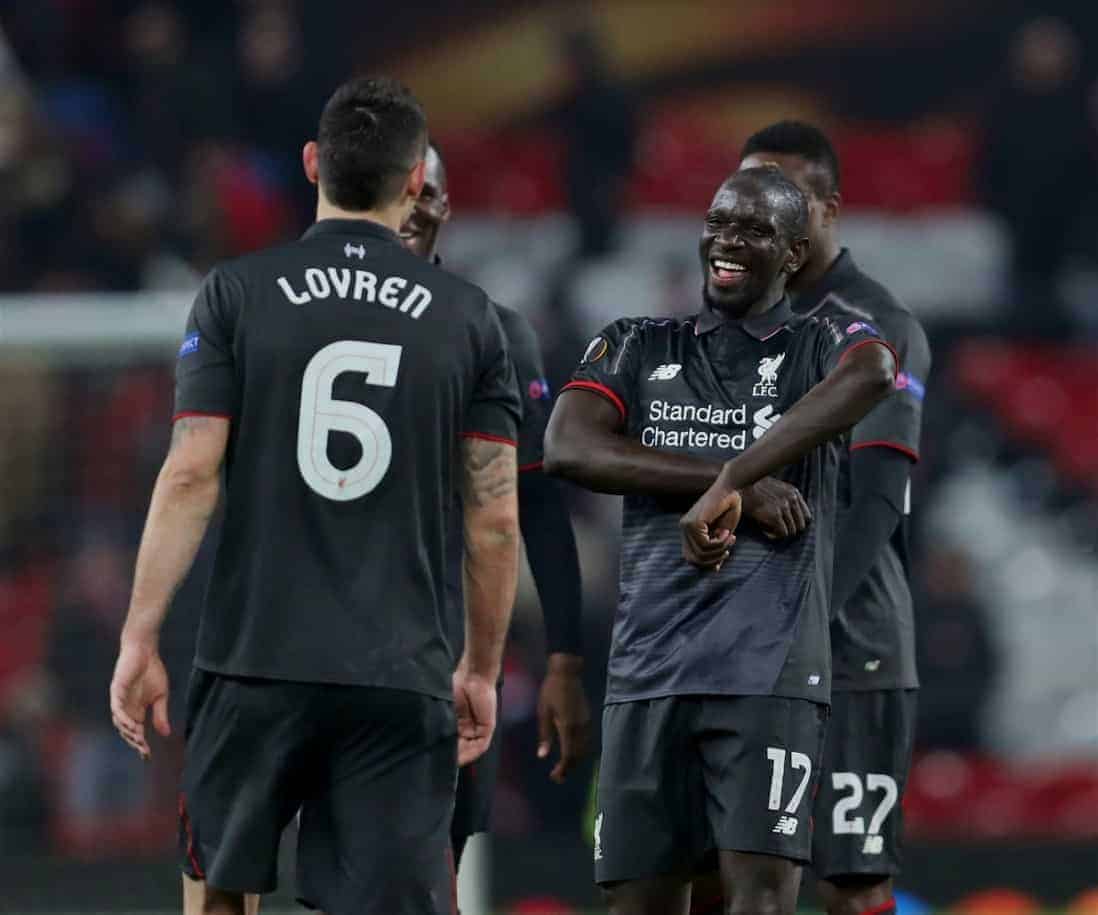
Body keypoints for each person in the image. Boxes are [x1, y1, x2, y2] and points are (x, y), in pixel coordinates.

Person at [108, 77, 523, 915]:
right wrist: (480, 666)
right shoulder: (469, 318)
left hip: (253, 661)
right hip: (397, 669)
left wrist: (140, 635)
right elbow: (494, 515)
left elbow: (190, 471)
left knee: (221, 895)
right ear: (415, 180)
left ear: (310, 164)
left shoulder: (235, 293)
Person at [544, 165, 898, 915]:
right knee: (636, 904)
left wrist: (734, 475)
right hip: (649, 670)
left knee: (759, 904)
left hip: (768, 677)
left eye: (754, 229)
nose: (728, 241)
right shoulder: (637, 343)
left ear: (795, 254)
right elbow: (570, 446)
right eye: (719, 222)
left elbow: (875, 370)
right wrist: (720, 479)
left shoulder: (817, 343)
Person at [690, 121, 931, 915]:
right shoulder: (724, 319)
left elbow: (877, 501)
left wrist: (808, 623)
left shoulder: (876, 325)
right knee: (722, 872)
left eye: (787, 197)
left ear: (829, 208)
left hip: (848, 637)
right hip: (738, 640)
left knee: (850, 883)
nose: (764, 214)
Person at [401, 143, 592, 869]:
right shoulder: (303, 323)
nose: (417, 206)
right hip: (341, 652)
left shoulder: (494, 332)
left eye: (430, 192)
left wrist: (563, 660)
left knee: (437, 864)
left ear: (447, 207)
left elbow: (537, 504)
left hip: (448, 649)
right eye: (402, 189)